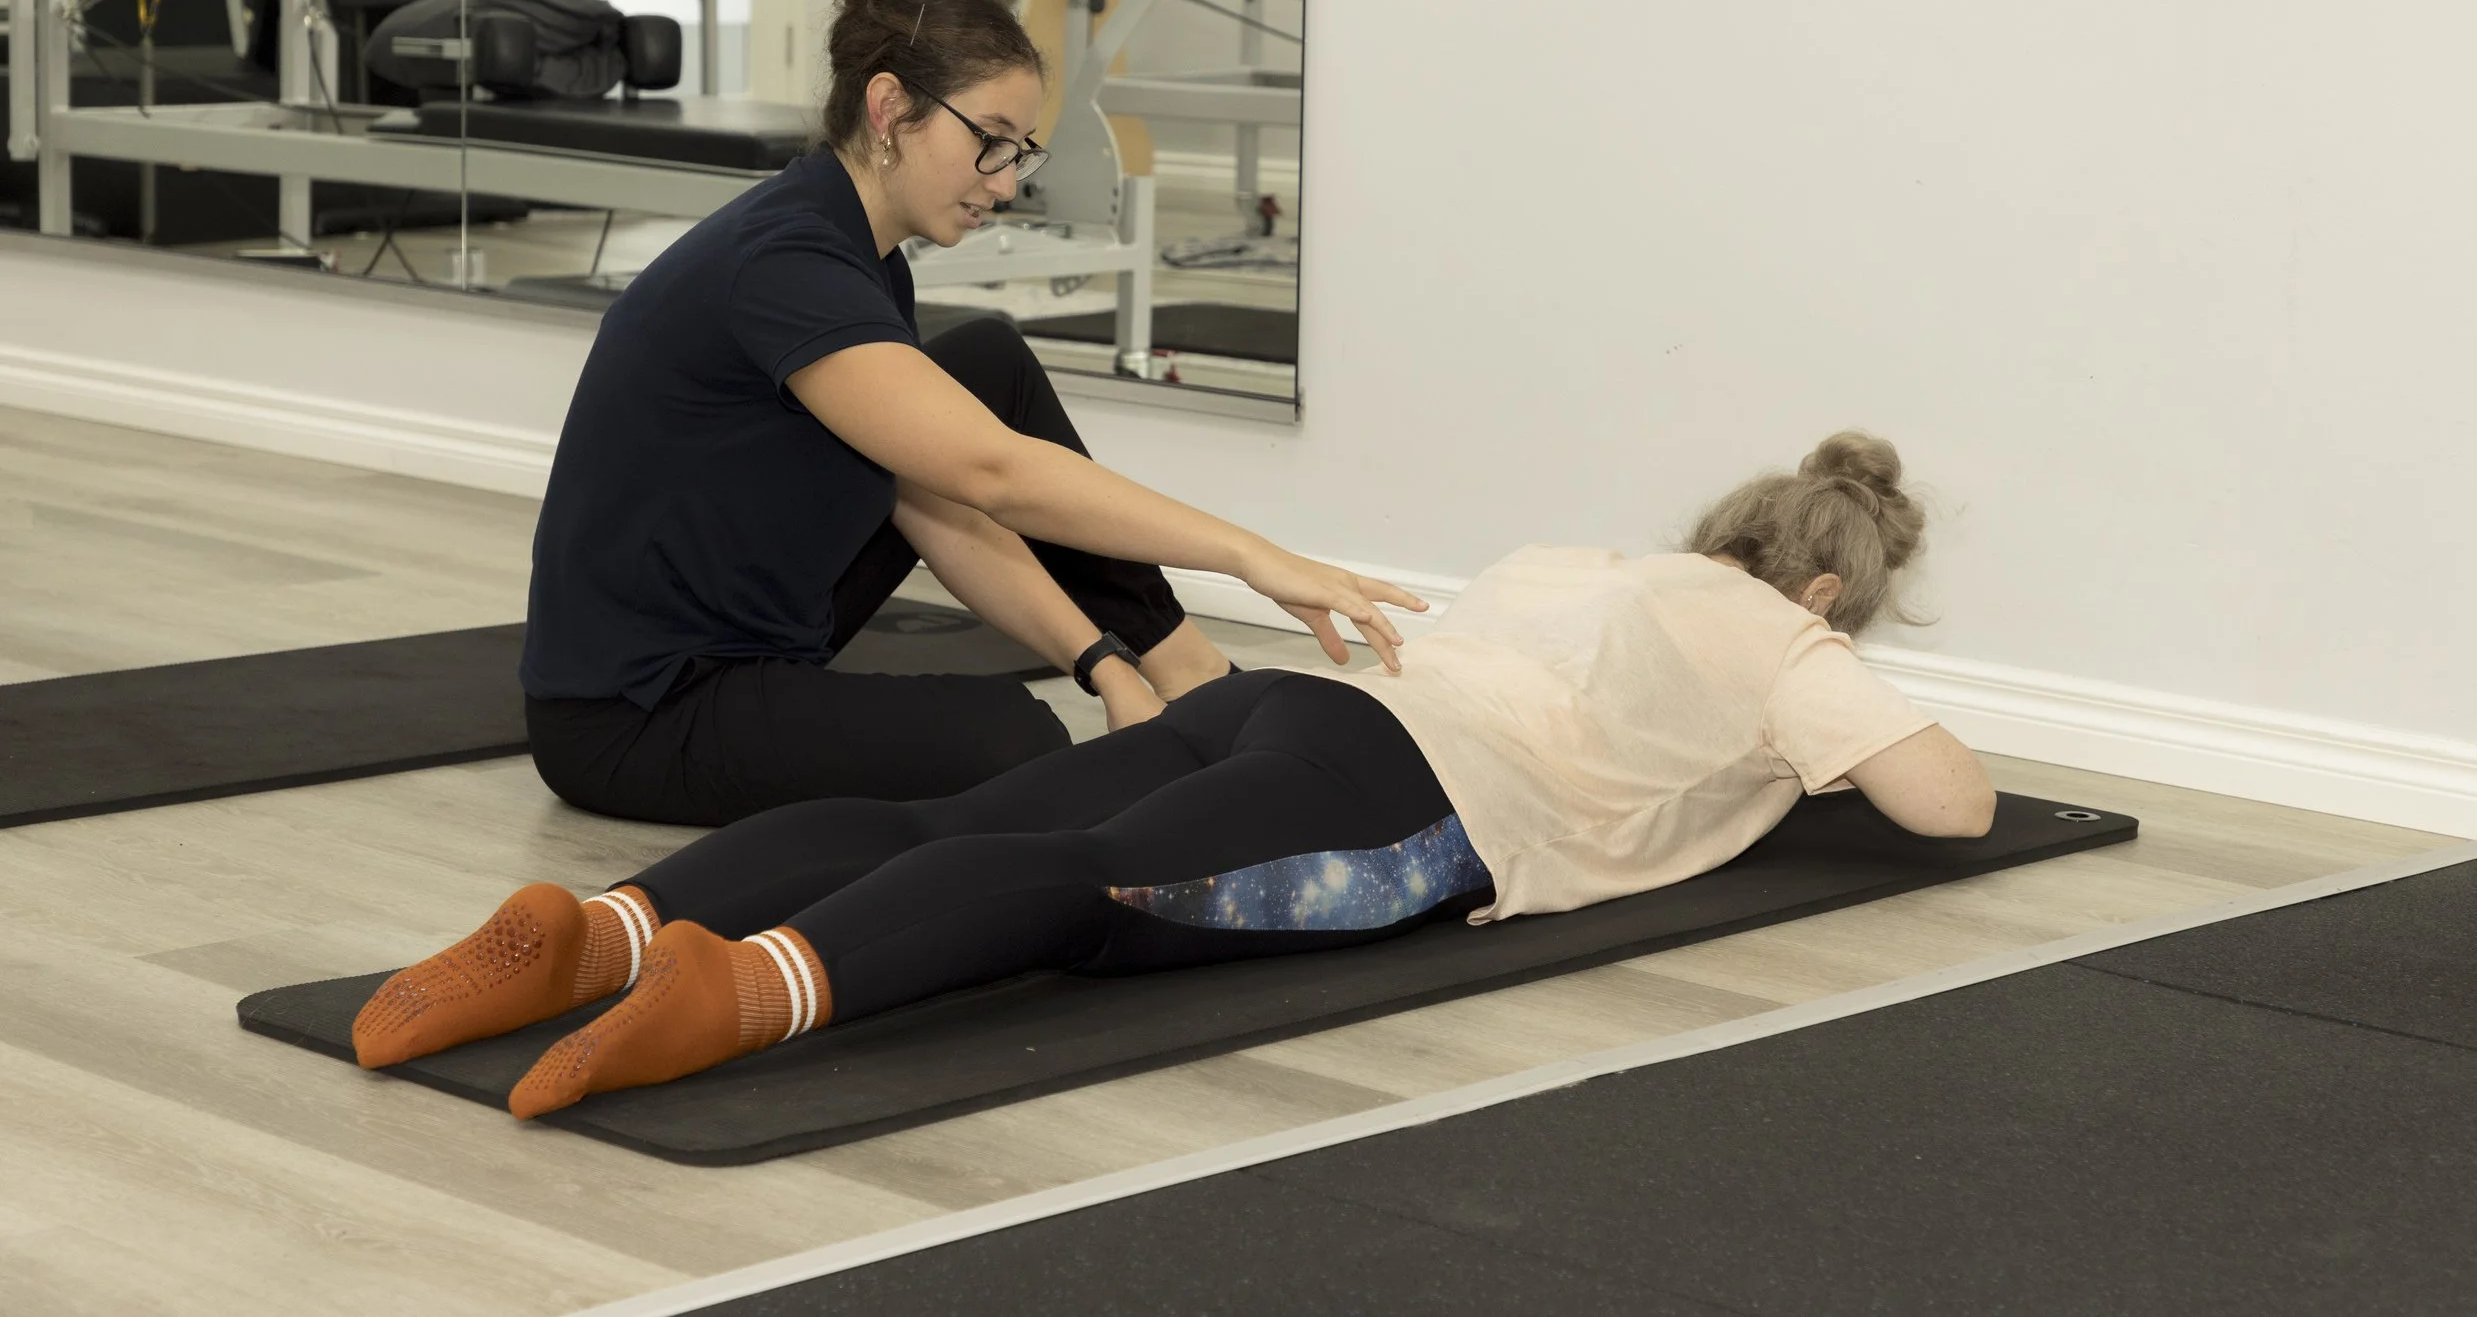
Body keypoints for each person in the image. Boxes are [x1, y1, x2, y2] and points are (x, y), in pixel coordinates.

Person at [356, 433, 1998, 1120]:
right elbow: (1955, 807)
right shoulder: (1791, 645)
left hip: (1288, 707)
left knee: (960, 819)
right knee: (1095, 892)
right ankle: (750, 991)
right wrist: (1819, 734)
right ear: (1832, 591)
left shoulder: (1581, 560)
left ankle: (612, 929)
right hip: (1408, 803)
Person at [518, 0, 1419, 827]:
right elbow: (993, 475)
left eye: (1019, 150)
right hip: (639, 715)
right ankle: (1181, 685)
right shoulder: (784, 261)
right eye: (990, 141)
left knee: (982, 361)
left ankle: (1184, 670)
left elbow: (926, 498)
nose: (1007, 180)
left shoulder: (863, 255)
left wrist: (1103, 663)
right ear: (889, 107)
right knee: (1014, 744)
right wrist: (1257, 557)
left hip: (758, 645)